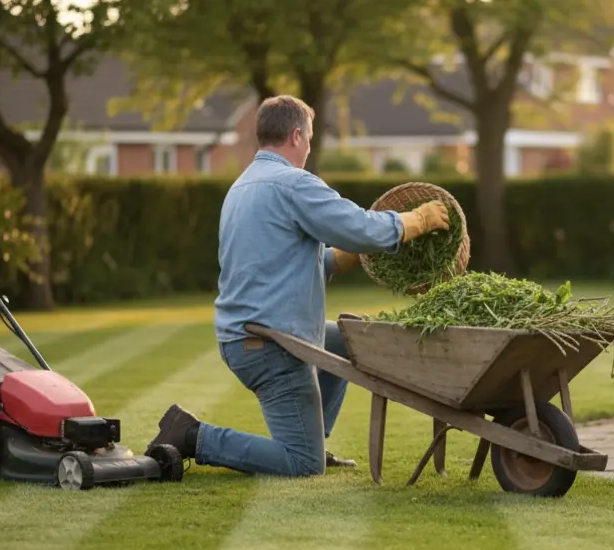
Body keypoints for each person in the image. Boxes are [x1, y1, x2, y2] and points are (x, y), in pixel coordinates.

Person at [145, 95, 450, 476]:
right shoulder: (291, 184)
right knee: (302, 464)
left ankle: (312, 440)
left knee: (348, 338)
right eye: (309, 138)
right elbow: (362, 227)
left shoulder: (243, 187)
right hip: (271, 343)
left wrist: (340, 259)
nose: (309, 147)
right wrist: (416, 221)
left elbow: (279, 265)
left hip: (246, 334)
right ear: (295, 136)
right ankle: (192, 435)